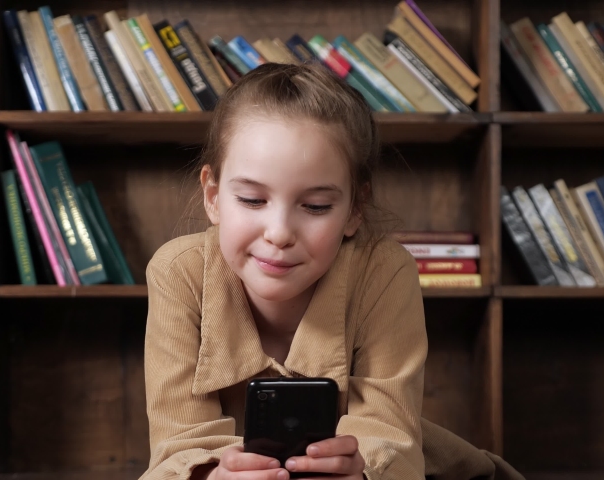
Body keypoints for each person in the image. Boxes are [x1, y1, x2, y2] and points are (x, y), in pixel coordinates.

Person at [141, 62, 523, 480]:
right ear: (213, 196)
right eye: (252, 200)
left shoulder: (384, 270)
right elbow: (178, 445)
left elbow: (387, 433)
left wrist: (360, 473)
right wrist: (212, 474)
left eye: (316, 206)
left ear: (354, 210)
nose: (280, 233)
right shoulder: (178, 272)